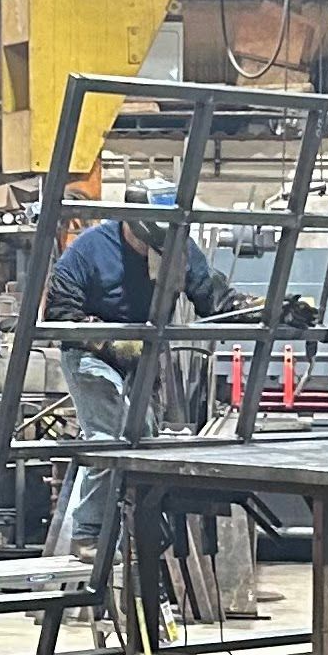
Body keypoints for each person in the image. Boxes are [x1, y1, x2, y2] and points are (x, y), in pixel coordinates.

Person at [44, 184, 217, 558]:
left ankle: (138, 530)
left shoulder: (177, 248)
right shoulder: (88, 249)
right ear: (130, 226)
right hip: (91, 356)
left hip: (144, 354)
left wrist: (269, 309)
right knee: (113, 432)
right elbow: (59, 313)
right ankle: (88, 534)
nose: (156, 257)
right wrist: (109, 343)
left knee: (145, 439)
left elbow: (215, 299)